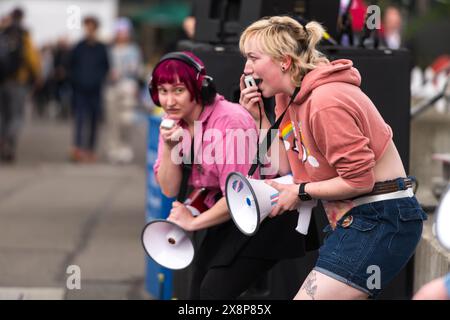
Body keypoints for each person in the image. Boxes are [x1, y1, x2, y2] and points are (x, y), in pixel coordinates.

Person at [239, 16, 427, 299]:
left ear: (284, 61)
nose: (246, 68)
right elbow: (284, 166)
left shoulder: (325, 102)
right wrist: (259, 120)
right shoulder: (290, 99)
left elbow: (360, 180)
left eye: (253, 57)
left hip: (381, 217)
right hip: (360, 218)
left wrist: (300, 192)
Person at [151, 51, 313, 299]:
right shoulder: (173, 121)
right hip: (230, 212)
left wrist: (192, 223)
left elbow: (239, 193)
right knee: (200, 292)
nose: (169, 100)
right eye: (163, 91)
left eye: (178, 90)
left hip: (269, 214)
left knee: (213, 292)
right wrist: (171, 148)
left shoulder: (229, 120)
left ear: (200, 88)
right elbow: (169, 189)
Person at [0, 7, 41, 163]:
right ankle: (9, 141)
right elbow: (32, 57)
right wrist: (37, 75)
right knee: (16, 115)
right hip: (18, 81)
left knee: (3, 115)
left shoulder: (3, 33)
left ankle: (2, 139)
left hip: (1, 80)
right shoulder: (24, 34)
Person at [69, 16, 109, 163]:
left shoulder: (101, 48)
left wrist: (99, 79)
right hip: (80, 89)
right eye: (87, 27)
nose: (89, 30)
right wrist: (76, 80)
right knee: (79, 119)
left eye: (92, 27)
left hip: (95, 90)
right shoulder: (78, 47)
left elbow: (106, 66)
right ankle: (77, 148)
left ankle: (91, 149)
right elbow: (71, 65)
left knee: (93, 120)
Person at [105, 17, 142, 164]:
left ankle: (125, 148)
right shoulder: (110, 50)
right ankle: (114, 148)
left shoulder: (134, 50)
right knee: (112, 119)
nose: (122, 34)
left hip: (127, 86)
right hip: (112, 87)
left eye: (124, 31)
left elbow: (137, 70)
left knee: (126, 120)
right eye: (119, 31)